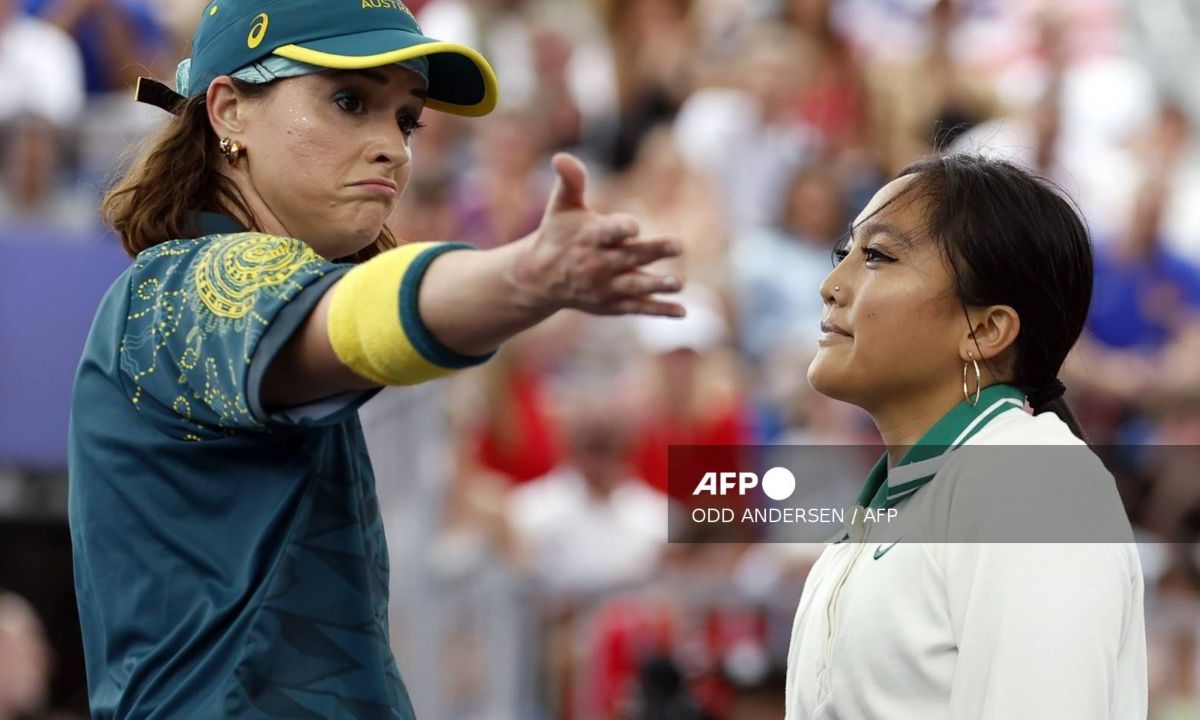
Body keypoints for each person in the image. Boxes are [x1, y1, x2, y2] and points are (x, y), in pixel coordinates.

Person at [67, 1, 685, 717]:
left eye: (406, 118)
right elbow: (355, 319)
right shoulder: (177, 288)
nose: (394, 145)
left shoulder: (203, 292)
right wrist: (522, 276)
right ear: (229, 110)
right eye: (350, 100)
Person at [785, 155, 1146, 718]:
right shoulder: (919, 496)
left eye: (876, 255)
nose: (831, 286)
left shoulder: (1035, 482)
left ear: (985, 329)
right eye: (843, 254)